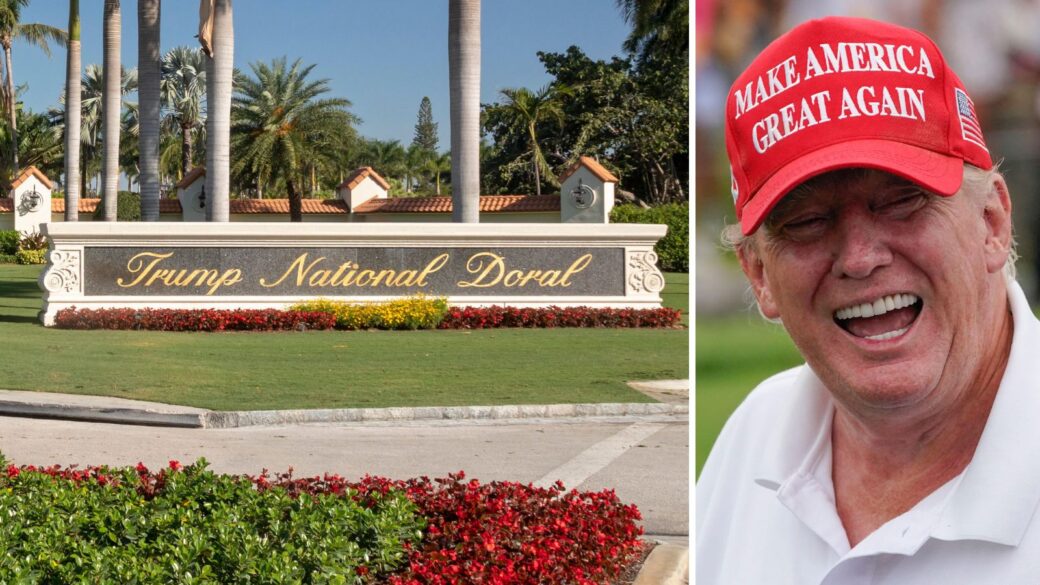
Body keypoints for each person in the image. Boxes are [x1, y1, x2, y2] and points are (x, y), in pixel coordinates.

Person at [697, 16, 1040, 584]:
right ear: (759, 275)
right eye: (807, 221)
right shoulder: (754, 433)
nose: (859, 258)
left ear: (992, 222)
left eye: (902, 202)